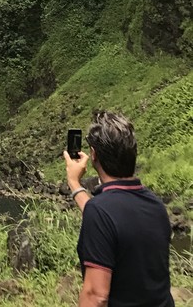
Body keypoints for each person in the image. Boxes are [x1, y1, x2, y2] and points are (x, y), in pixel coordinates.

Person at [64, 110, 174, 307]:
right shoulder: (156, 206)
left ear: (94, 154)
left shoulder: (100, 211)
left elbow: (96, 296)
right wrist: (74, 184)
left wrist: (74, 179)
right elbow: (112, 218)